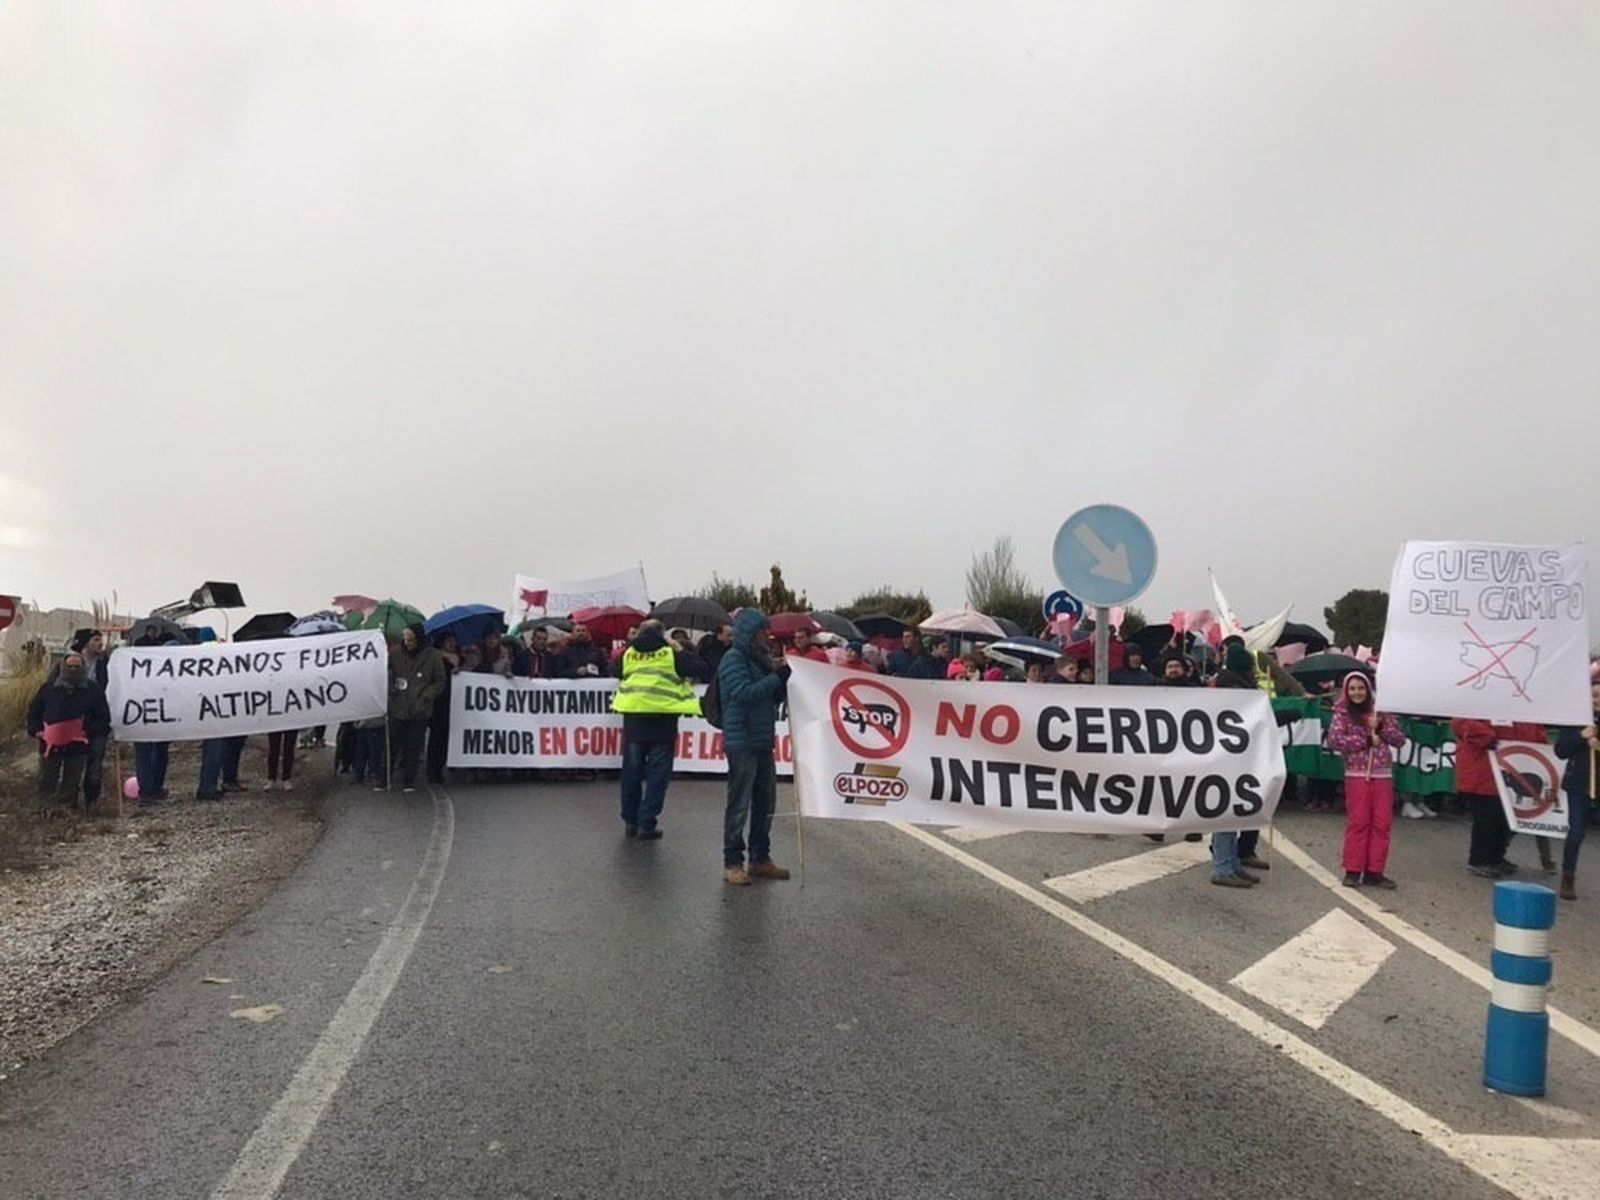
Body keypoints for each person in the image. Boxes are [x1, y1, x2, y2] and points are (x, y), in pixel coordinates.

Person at [610, 619, 705, 839]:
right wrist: (678, 647)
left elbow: (614, 670)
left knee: (631, 774)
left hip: (634, 721)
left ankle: (630, 822)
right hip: (662, 722)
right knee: (657, 776)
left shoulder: (630, 654)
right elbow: (700, 667)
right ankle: (647, 824)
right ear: (663, 635)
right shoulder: (669, 654)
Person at [719, 609, 792, 886]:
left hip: (761, 740)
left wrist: (782, 684)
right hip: (742, 741)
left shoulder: (760, 661)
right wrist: (777, 678)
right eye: (763, 631)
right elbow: (744, 693)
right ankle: (733, 862)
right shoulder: (733, 660)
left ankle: (760, 858)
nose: (767, 636)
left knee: (766, 803)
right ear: (750, 633)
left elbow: (767, 695)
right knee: (739, 805)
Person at [1325, 673, 1405, 888]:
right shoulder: (1342, 713)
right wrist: (1365, 739)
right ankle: (1353, 870)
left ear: (1368, 690)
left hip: (1382, 775)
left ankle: (1374, 871)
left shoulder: (1381, 712)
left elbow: (1399, 740)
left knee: (1381, 823)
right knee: (1359, 822)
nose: (1357, 692)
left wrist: (1380, 727)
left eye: (1361, 688)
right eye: (1352, 689)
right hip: (1357, 774)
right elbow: (1335, 740)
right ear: (1346, 691)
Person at [1453, 714, 1549, 878]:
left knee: (1504, 818)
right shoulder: (1480, 700)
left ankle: (1495, 857)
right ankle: (1480, 860)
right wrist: (1487, 737)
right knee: (1487, 818)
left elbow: (1535, 731)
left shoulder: (1523, 707)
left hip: (1511, 767)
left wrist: (1542, 748)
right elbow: (1460, 723)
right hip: (1483, 767)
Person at [1208, 644, 1270, 886]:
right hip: (1229, 757)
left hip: (1238, 755)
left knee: (1233, 813)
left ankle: (1231, 863)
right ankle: (1223, 868)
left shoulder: (1233, 684)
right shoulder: (1232, 688)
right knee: (1226, 814)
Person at [27, 653, 111, 809]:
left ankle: (66, 810)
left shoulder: (93, 691)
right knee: (46, 778)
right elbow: (34, 713)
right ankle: (44, 810)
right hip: (50, 744)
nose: (73, 670)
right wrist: (36, 731)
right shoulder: (48, 689)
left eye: (76, 667)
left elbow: (103, 719)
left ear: (83, 668)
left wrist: (87, 732)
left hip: (77, 744)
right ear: (62, 668)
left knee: (72, 779)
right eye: (69, 667)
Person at [1553, 681, 1599, 901]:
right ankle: (1568, 877)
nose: (1597, 701)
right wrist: (1581, 736)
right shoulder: (1575, 721)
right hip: (1579, 784)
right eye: (1594, 696)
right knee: (1577, 831)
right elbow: (1560, 750)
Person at [387, 623, 446, 794]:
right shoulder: (395, 654)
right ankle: (385, 777)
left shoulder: (433, 656)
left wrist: (427, 695)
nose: (408, 643)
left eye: (411, 640)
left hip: (420, 708)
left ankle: (408, 780)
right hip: (398, 706)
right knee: (392, 743)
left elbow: (440, 680)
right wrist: (391, 689)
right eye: (405, 639)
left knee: (413, 746)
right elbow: (386, 673)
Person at [427, 632, 461, 785]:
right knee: (437, 737)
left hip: (455, 702)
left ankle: (441, 766)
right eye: (449, 641)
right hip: (439, 702)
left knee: (447, 737)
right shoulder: (436, 658)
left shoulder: (459, 657)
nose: (452, 643)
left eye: (454, 640)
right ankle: (433, 770)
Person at [264, 727, 297, 792]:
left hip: (291, 721)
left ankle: (286, 778)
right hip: (275, 721)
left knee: (289, 748)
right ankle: (271, 778)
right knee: (273, 748)